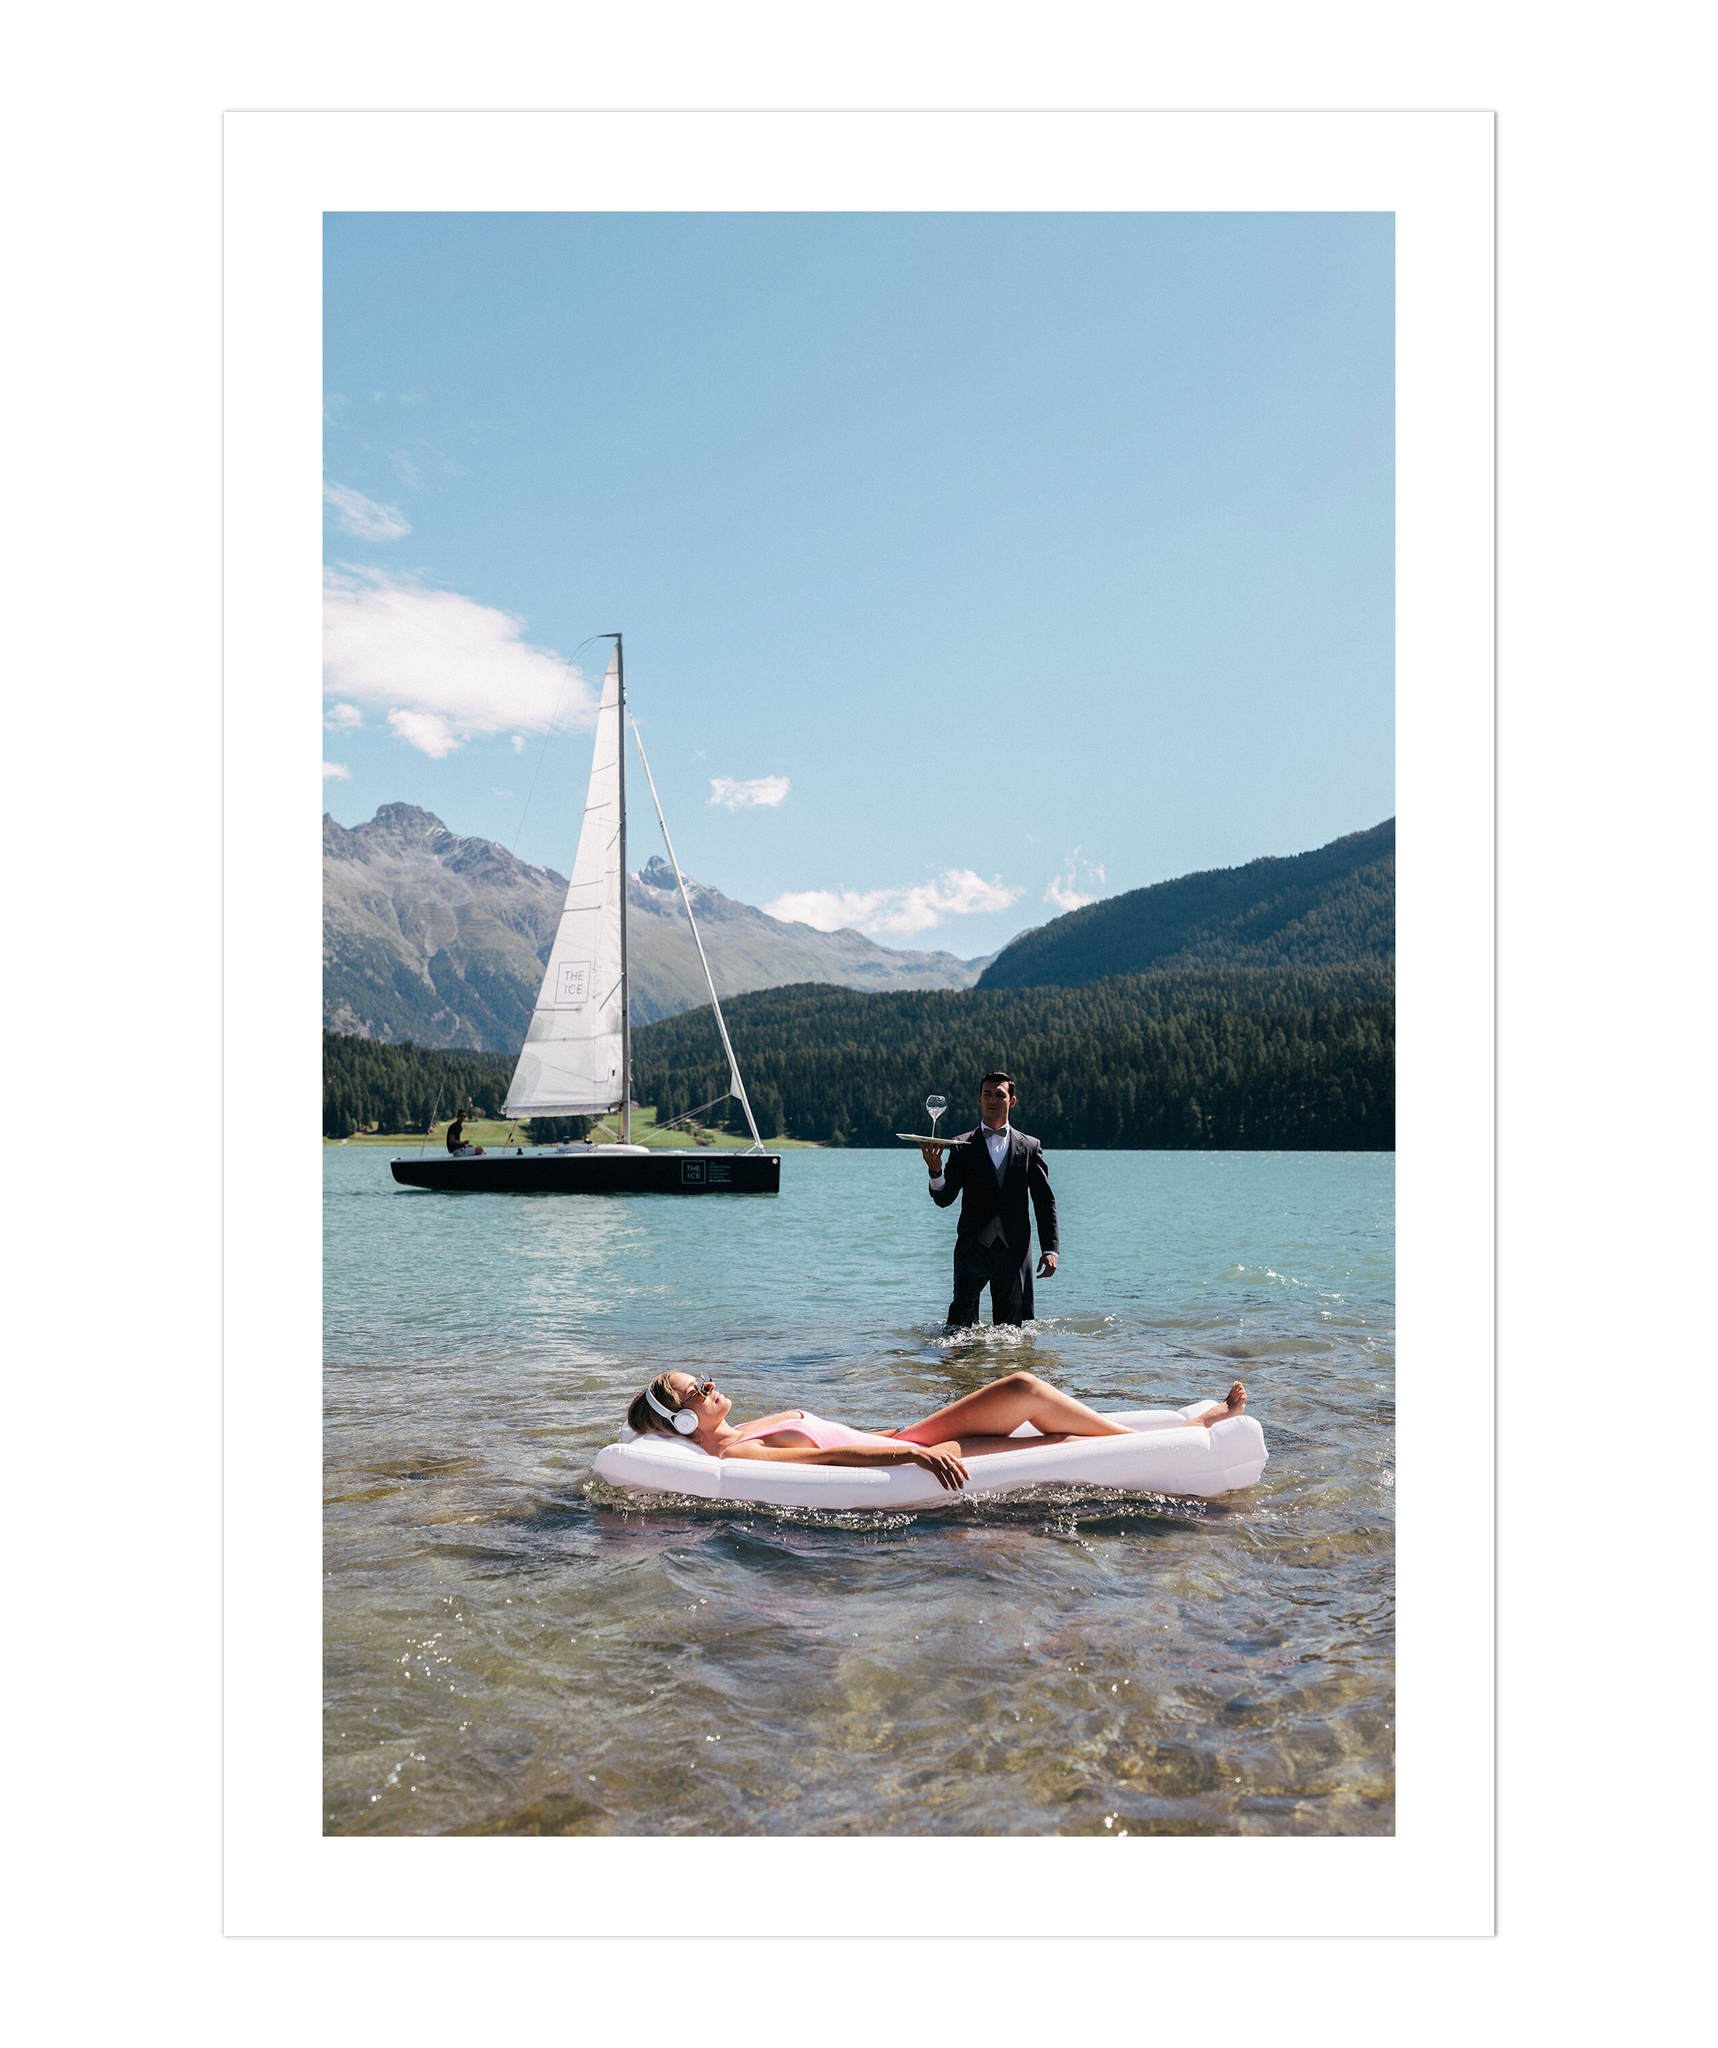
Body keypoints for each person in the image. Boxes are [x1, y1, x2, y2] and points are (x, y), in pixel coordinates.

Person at [626, 1369, 1249, 1494]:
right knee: (1028, 1397)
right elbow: (826, 1461)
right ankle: (1190, 1430)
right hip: (911, 1452)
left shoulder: (741, 1427)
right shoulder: (739, 1450)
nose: (709, 1385)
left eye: (701, 1378)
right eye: (695, 1391)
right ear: (683, 1420)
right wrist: (914, 1460)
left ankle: (1184, 1425)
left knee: (1030, 1403)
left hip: (907, 1436)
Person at [919, 1070, 1057, 1327]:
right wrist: (935, 1170)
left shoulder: (1029, 1146)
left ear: (1011, 1101)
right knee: (958, 1328)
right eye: (987, 1094)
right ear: (979, 1099)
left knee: (1011, 1332)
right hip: (973, 1248)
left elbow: (1044, 1201)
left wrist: (1050, 1249)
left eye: (999, 1095)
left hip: (1013, 1249)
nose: (993, 1100)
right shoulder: (960, 1145)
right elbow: (944, 1199)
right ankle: (959, 1368)